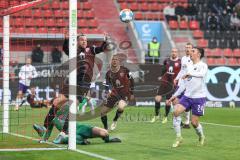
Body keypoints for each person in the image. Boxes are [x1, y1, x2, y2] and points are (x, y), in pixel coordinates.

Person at [167, 47, 208, 148]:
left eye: (193, 51)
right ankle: (179, 137)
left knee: (194, 123)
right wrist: (174, 96)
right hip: (187, 96)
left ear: (199, 54)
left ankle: (201, 136)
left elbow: (202, 74)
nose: (190, 52)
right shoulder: (189, 67)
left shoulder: (203, 65)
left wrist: (190, 74)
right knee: (176, 112)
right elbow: (183, 85)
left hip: (199, 97)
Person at [33, 100, 121, 144]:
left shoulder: (68, 106)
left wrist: (86, 99)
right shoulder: (52, 117)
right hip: (68, 134)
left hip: (79, 128)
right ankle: (81, 140)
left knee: (104, 133)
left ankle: (107, 140)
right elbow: (48, 131)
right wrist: (43, 140)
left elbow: (80, 102)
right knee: (67, 139)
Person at [101, 55, 134, 131]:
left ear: (119, 61)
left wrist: (131, 93)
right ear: (111, 61)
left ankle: (115, 120)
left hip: (125, 94)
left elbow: (132, 80)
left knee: (121, 107)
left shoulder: (125, 70)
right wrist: (107, 91)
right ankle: (106, 129)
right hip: (114, 94)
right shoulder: (108, 73)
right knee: (103, 112)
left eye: (116, 59)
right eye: (113, 59)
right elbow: (106, 84)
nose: (114, 61)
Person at [151, 48, 181, 124]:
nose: (174, 53)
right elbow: (164, 69)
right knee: (157, 99)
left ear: (177, 53)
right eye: (173, 52)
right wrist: (161, 76)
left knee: (168, 102)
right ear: (171, 52)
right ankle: (156, 115)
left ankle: (165, 117)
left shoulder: (180, 62)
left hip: (172, 84)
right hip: (164, 82)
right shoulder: (166, 61)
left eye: (175, 52)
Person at [174, 43, 193, 129]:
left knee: (186, 105)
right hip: (181, 83)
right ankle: (179, 122)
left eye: (189, 47)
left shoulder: (193, 59)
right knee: (174, 101)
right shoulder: (183, 58)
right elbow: (182, 70)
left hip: (188, 84)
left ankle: (186, 122)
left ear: (192, 49)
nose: (187, 49)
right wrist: (176, 78)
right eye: (186, 47)